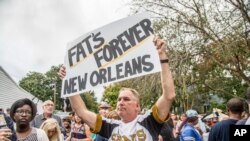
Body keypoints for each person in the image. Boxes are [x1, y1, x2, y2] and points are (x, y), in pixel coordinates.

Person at [59, 36, 176, 140]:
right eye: (119, 99)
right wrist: (69, 82)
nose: (121, 102)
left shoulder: (149, 121)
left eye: (126, 99)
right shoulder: (109, 126)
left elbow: (169, 95)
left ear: (137, 106)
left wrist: (162, 57)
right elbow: (81, 111)